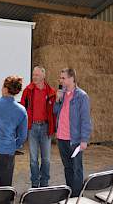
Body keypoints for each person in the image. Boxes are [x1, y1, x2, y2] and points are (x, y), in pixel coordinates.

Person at [54, 68, 92, 197]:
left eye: (63, 78)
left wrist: (84, 140)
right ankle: (69, 193)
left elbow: (85, 120)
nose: (61, 80)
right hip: (61, 138)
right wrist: (57, 99)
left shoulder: (82, 96)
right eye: (60, 78)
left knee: (77, 169)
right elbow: (55, 111)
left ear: (72, 79)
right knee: (67, 168)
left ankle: (77, 197)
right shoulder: (62, 94)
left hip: (74, 140)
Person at [20, 66, 56, 188]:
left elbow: (55, 111)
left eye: (37, 75)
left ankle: (44, 183)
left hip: (45, 128)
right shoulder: (27, 91)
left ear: (43, 76)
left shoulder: (51, 92)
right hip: (32, 128)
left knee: (46, 159)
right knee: (33, 160)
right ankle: (35, 184)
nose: (34, 77)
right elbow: (22, 110)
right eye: (33, 74)